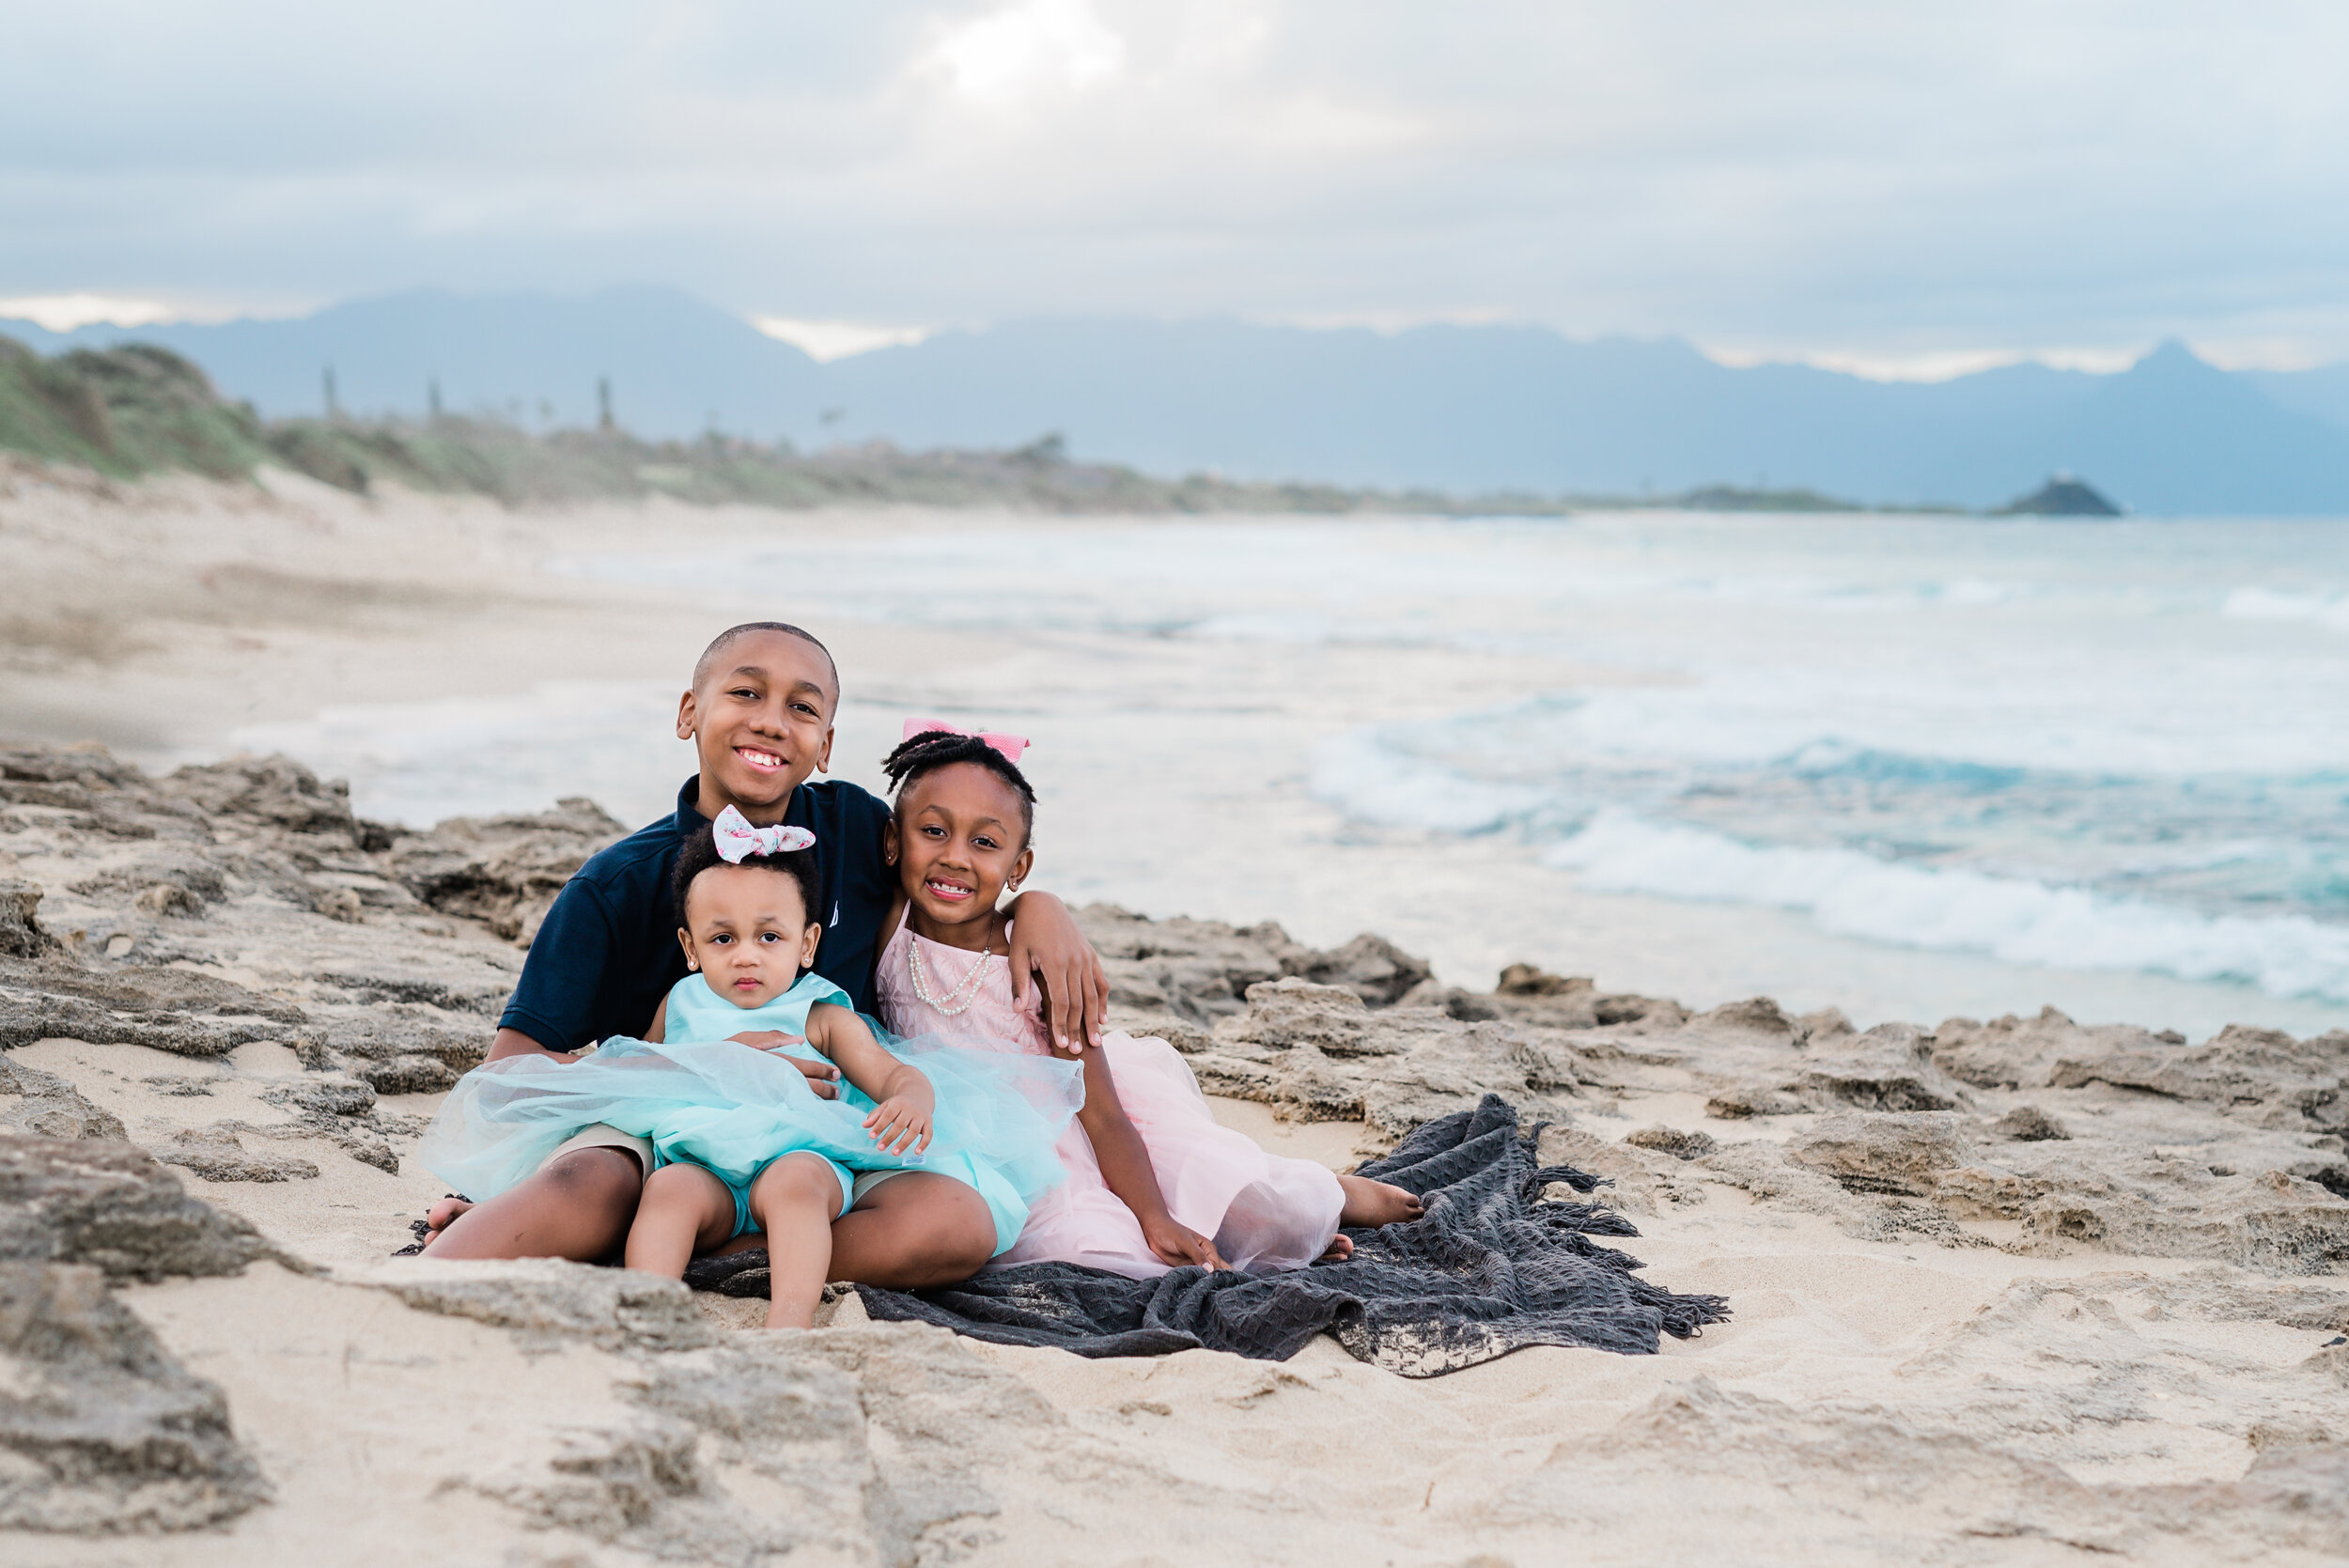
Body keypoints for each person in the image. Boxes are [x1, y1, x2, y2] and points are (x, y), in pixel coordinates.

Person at [420, 621, 1111, 1289]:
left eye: (801, 707)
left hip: (829, 1134)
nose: (773, 721)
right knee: (588, 1184)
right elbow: (509, 1078)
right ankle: (430, 1271)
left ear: (827, 743)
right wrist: (708, 1065)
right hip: (665, 1130)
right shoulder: (616, 884)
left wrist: (1037, 907)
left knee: (956, 1222)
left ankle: (716, 1254)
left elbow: (955, 877)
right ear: (689, 711)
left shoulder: (857, 830)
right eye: (746, 693)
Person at [420, 808, 1081, 1326]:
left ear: (808, 943)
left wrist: (913, 1100)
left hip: (800, 1158)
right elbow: (639, 1071)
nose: (745, 956)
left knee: (795, 1185)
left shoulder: (819, 1010)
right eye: (722, 938)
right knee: (670, 1191)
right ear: (689, 946)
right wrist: (717, 1063)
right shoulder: (681, 1002)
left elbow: (889, 1072)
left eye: (769, 937)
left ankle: (787, 1319)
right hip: (703, 1164)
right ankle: (646, 1307)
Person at [873, 722, 1423, 1277]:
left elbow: (1104, 1114)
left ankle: (1326, 1192)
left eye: (985, 842)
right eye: (934, 831)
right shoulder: (888, 921)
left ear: (1019, 867)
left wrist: (1155, 1217)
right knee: (1092, 1249)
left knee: (1246, 1214)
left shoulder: (1042, 965)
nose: (956, 857)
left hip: (1065, 1135)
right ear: (895, 842)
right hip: (950, 1137)